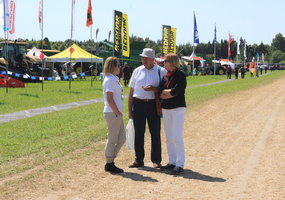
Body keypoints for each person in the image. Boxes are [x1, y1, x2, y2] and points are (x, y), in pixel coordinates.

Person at [128, 48, 166, 168]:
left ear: (152, 59)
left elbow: (164, 89)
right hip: (138, 104)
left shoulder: (161, 71)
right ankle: (138, 159)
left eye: (145, 58)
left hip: (153, 104)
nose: (143, 60)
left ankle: (156, 160)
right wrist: (129, 110)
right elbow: (131, 91)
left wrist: (153, 89)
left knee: (155, 132)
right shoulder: (137, 71)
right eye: (142, 57)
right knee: (138, 133)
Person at [158, 53, 187, 174]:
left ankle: (179, 164)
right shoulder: (165, 76)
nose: (163, 63)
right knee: (169, 137)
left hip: (178, 109)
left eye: (165, 61)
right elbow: (160, 92)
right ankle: (172, 161)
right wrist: (167, 93)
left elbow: (176, 91)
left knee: (177, 136)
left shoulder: (181, 75)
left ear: (171, 62)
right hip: (166, 108)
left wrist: (167, 93)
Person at [102, 57, 126, 173]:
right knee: (112, 139)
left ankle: (111, 159)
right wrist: (116, 112)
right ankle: (109, 162)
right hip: (112, 113)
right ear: (113, 67)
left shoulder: (114, 79)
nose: (119, 67)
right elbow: (109, 99)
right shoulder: (109, 80)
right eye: (118, 65)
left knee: (122, 138)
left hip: (116, 113)